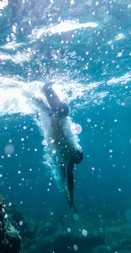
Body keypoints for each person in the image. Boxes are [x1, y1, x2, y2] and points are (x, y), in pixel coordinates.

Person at [37, 82, 83, 212]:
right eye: (75, 162)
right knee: (57, 109)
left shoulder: (64, 158)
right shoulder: (70, 156)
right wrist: (71, 197)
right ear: (76, 157)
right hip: (57, 119)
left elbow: (64, 178)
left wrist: (67, 195)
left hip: (56, 119)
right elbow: (70, 179)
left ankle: (37, 88)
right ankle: (43, 86)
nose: (72, 165)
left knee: (49, 105)